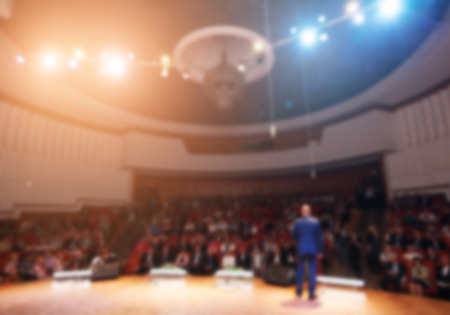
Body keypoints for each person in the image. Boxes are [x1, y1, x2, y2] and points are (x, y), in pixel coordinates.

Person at [291, 204, 323, 300]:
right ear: (309, 212)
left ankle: (299, 291)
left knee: (300, 270)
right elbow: (319, 238)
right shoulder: (316, 222)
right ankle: (311, 293)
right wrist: (320, 251)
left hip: (301, 249)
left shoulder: (297, 222)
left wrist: (300, 240)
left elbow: (293, 236)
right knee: (312, 271)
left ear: (302, 212)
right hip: (313, 249)